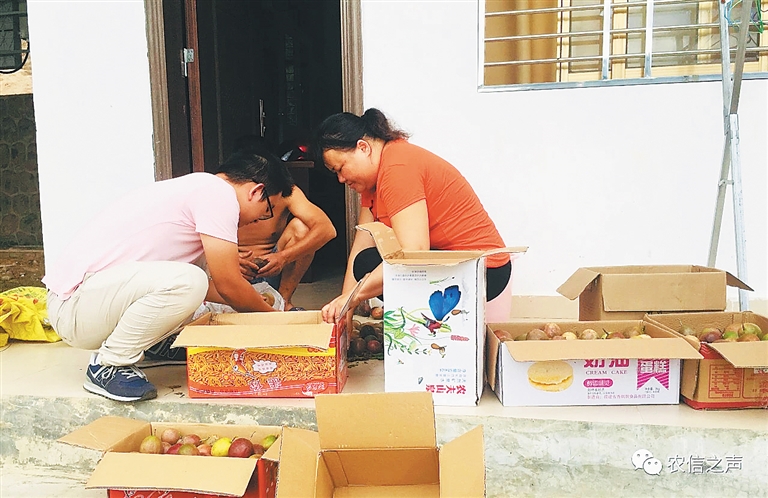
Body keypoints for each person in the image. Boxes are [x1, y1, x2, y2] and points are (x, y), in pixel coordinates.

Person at [43, 151, 294, 402]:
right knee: (191, 281)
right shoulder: (218, 194)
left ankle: (155, 344)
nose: (257, 221)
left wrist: (255, 302)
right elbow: (228, 285)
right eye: (266, 212)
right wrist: (279, 323)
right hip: (75, 307)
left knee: (195, 282)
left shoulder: (199, 190)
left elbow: (217, 288)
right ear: (256, 191)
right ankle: (109, 364)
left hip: (90, 301)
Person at [314, 108, 512, 324]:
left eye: (340, 168)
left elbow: (414, 251)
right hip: (455, 263)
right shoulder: (373, 182)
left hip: (483, 270)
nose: (341, 179)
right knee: (365, 261)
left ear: (363, 147)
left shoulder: (398, 167)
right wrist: (345, 312)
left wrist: (354, 297)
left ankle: (426, 332)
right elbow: (361, 245)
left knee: (376, 265)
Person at [231, 135, 337, 311]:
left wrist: (282, 257)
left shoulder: (285, 191)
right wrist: (230, 260)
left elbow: (326, 229)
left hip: (271, 269)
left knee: (302, 227)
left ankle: (283, 302)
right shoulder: (221, 194)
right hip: (228, 273)